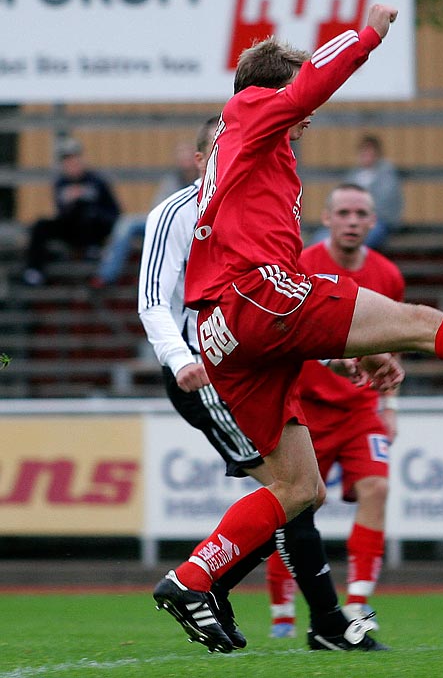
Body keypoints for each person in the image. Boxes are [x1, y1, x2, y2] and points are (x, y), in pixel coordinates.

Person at [153, 4, 443, 655]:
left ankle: (191, 579)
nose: (308, 115)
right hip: (255, 297)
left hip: (230, 327)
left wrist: (353, 352)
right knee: (422, 325)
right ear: (270, 88)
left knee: (298, 488)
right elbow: (305, 87)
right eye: (293, 91)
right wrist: (366, 35)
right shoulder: (249, 111)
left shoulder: (248, 157)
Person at [141, 118, 389, 652]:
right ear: (203, 156)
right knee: (296, 491)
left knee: (299, 492)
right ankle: (319, 619)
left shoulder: (260, 212)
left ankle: (218, 588)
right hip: (208, 375)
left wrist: (338, 358)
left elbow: (285, 306)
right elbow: (152, 300)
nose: (227, 158)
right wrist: (180, 357)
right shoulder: (177, 213)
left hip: (251, 368)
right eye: (217, 149)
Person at [266, 182, 404, 638]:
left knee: (377, 489)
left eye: (360, 213)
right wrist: (333, 359)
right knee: (292, 505)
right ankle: (282, 614)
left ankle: (360, 604)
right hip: (304, 407)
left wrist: (390, 404)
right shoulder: (302, 264)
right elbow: (283, 333)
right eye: (343, 212)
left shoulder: (388, 275)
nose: (351, 221)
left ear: (372, 222)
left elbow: (392, 344)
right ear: (326, 218)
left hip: (360, 407)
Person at [92, 140, 199, 288]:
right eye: (181, 156)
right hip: (167, 222)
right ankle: (106, 275)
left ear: (197, 158)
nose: (185, 161)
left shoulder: (205, 179)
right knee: (127, 223)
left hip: (193, 226)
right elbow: (158, 208)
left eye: (188, 156)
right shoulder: (171, 180)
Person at [22, 137, 121, 286]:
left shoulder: (97, 181)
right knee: (40, 225)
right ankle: (34, 270)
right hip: (73, 229)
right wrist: (69, 200)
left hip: (95, 229)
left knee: (87, 211)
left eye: (74, 159)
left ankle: (91, 249)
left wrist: (86, 200)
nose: (71, 165)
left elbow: (114, 213)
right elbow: (62, 213)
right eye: (67, 161)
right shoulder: (61, 183)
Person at [309, 134, 403, 249]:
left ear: (377, 154)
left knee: (358, 238)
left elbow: (383, 202)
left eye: (370, 152)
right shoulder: (354, 173)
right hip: (347, 218)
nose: (367, 156)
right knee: (320, 237)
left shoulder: (386, 173)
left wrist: (358, 212)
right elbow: (337, 195)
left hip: (378, 221)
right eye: (364, 152)